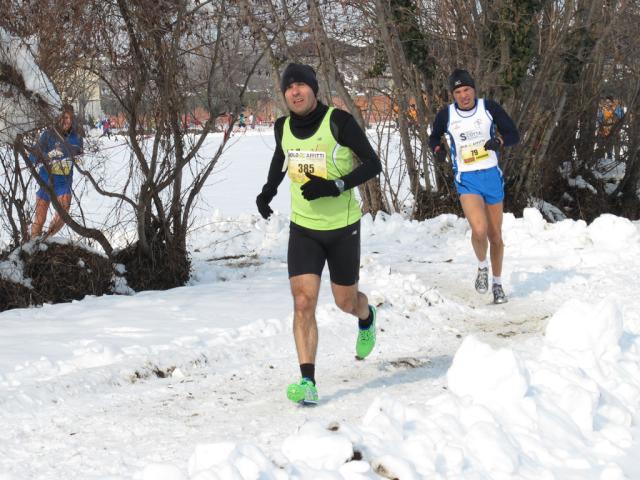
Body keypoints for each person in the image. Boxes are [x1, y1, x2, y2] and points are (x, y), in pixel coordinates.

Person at [256, 63, 382, 405]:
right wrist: (267, 191)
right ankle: (308, 382)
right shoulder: (282, 127)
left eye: (301, 85)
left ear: (314, 89)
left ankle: (366, 316)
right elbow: (282, 158)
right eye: (289, 87)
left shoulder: (337, 122)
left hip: (342, 229)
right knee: (302, 302)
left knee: (345, 301)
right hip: (304, 230)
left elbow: (372, 163)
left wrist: (334, 186)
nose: (295, 91)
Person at [429, 69, 519, 304]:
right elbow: (433, 137)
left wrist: (499, 141)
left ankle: (498, 285)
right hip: (467, 179)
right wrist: (438, 150)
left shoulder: (488, 108)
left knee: (495, 236)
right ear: (453, 95)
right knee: (479, 230)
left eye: (466, 89)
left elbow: (513, 134)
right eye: (457, 92)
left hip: (491, 177)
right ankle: (482, 267)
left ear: (474, 89)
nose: (463, 95)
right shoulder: (446, 115)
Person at [29, 104, 83, 239]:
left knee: (63, 214)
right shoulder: (47, 135)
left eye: (69, 117)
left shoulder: (77, 137)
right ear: (57, 118)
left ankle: (46, 239)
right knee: (40, 218)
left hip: (63, 183)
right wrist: (48, 156)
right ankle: (32, 242)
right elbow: (32, 157)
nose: (67, 121)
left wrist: (78, 159)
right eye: (64, 117)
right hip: (45, 181)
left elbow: (80, 154)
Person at [596, 95, 624, 160]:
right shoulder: (603, 109)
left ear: (612, 101)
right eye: (606, 101)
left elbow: (621, 118)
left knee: (616, 145)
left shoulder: (617, 108)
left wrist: (613, 113)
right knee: (604, 146)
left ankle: (617, 160)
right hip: (604, 131)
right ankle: (603, 159)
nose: (607, 103)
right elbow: (599, 119)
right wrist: (601, 126)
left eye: (609, 101)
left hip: (615, 130)